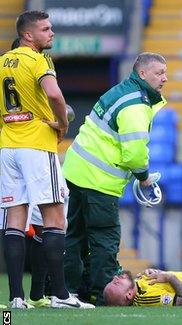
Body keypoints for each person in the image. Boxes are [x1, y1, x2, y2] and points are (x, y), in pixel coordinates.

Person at [0, 10, 92, 309]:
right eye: (45, 29)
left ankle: (16, 297)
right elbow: (54, 95)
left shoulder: (2, 62)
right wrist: (63, 125)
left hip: (8, 145)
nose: (51, 33)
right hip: (37, 146)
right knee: (54, 218)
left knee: (15, 219)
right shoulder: (38, 60)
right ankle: (61, 296)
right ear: (28, 35)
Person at [62, 52, 168, 305]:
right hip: (99, 181)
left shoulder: (121, 90)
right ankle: (103, 295)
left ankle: (71, 290)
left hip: (76, 171)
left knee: (76, 236)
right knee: (104, 239)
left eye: (165, 73)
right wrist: (143, 177)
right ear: (143, 73)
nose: (165, 78)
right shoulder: (136, 105)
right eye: (159, 73)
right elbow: (134, 154)